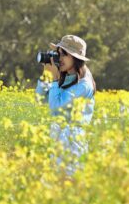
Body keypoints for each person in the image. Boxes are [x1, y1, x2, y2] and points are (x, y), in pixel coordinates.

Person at [35, 35, 96, 174]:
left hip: (74, 142)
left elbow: (55, 106)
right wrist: (46, 76)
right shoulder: (66, 74)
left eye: (64, 54)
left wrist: (55, 79)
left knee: (70, 186)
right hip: (57, 137)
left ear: (76, 58)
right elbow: (40, 99)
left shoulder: (84, 84)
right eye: (58, 53)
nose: (59, 58)